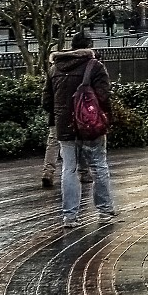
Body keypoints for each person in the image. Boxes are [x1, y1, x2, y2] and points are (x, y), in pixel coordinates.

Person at [45, 31, 116, 227]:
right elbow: (103, 97)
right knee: (98, 166)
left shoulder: (55, 68)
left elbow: (46, 101)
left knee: (69, 169)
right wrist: (107, 120)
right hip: (91, 127)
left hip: (64, 127)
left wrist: (61, 116)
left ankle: (69, 216)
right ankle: (104, 211)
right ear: (89, 46)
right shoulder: (95, 67)